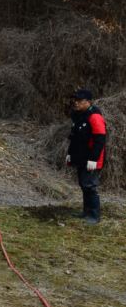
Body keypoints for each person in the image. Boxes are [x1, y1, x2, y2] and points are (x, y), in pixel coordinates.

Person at [66, 88, 107, 224]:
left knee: (90, 186)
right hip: (81, 157)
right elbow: (75, 137)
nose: (76, 103)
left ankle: (94, 216)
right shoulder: (78, 115)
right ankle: (86, 212)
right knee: (83, 185)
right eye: (75, 100)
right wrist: (70, 154)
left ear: (88, 102)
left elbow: (100, 139)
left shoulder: (95, 116)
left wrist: (94, 159)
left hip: (92, 159)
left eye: (79, 101)